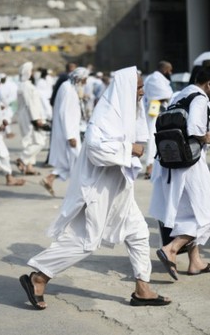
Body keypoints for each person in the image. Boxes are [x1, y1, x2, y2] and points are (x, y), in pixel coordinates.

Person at [19, 65, 171, 310]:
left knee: (139, 233)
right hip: (97, 190)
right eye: (139, 88)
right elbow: (95, 147)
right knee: (85, 241)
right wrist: (129, 149)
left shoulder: (125, 112)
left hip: (119, 187)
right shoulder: (105, 116)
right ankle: (39, 276)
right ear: (126, 89)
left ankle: (143, 289)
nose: (142, 92)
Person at [148, 65, 210, 280]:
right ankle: (171, 249)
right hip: (191, 164)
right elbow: (196, 130)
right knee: (207, 213)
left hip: (172, 162)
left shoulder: (178, 95)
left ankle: (195, 262)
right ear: (209, 83)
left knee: (187, 212)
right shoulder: (199, 98)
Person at [40, 67, 89, 196]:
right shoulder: (67, 89)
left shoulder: (70, 87)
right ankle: (78, 193)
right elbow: (65, 112)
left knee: (70, 162)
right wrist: (70, 136)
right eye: (84, 79)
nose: (85, 82)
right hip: (69, 134)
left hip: (72, 131)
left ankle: (50, 178)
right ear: (79, 78)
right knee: (79, 163)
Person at [142, 60, 174, 180]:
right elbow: (166, 94)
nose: (170, 73)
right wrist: (168, 96)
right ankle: (149, 167)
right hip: (154, 110)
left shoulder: (155, 77)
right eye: (170, 70)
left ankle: (156, 167)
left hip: (159, 110)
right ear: (165, 70)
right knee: (152, 138)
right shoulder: (155, 78)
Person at [15, 61, 47, 175]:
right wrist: (36, 119)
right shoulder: (27, 86)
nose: (33, 73)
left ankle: (29, 167)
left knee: (31, 142)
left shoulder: (24, 85)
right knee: (39, 142)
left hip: (27, 116)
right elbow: (30, 104)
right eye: (31, 71)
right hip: (30, 118)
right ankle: (22, 159)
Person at [0, 73, 18, 139]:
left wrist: (6, 103)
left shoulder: (10, 85)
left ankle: (8, 133)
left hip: (10, 105)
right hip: (1, 105)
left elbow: (13, 96)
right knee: (3, 119)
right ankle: (7, 133)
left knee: (6, 119)